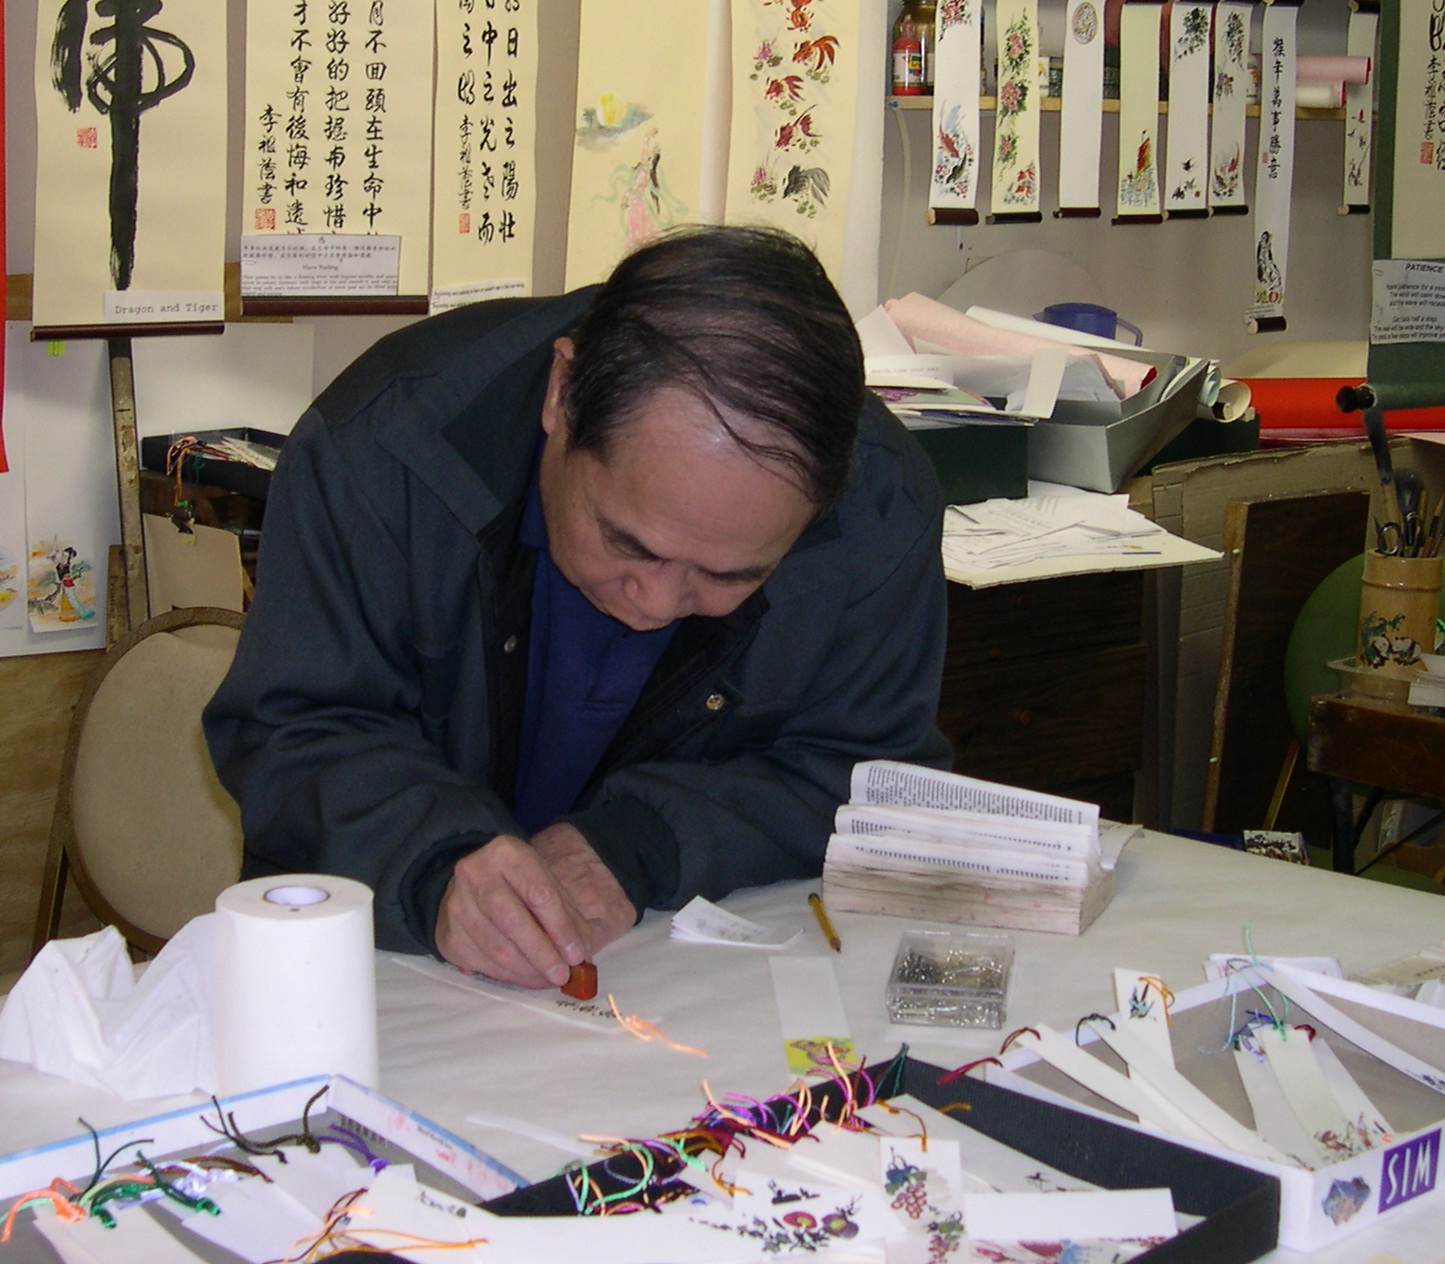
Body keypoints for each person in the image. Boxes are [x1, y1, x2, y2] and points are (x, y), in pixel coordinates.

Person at [205, 228, 949, 990]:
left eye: (728, 575)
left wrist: (644, 840)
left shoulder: (876, 512)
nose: (656, 605)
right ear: (563, 393)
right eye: (629, 544)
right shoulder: (387, 451)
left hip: (680, 984)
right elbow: (291, 729)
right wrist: (434, 863)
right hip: (381, 977)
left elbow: (866, 779)